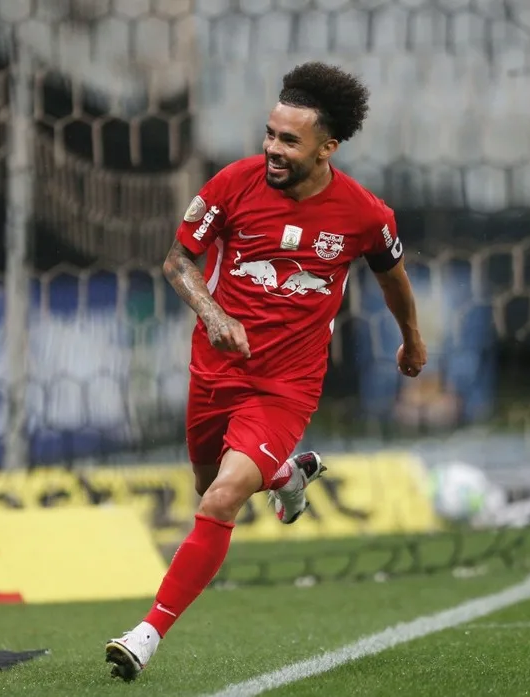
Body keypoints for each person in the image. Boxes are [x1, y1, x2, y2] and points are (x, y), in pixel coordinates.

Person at [105, 61, 427, 682]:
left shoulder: (365, 215)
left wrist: (411, 340)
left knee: (223, 498)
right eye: (270, 135)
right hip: (216, 368)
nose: (272, 150)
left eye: (289, 141)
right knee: (208, 486)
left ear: (327, 147)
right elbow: (178, 262)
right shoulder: (232, 183)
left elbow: (396, 282)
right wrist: (213, 312)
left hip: (287, 385)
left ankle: (147, 634)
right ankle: (286, 474)